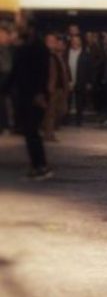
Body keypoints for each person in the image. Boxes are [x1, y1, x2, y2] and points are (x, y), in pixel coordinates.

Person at [1, 22, 53, 179]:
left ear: (30, 29)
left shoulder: (36, 49)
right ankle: (38, 165)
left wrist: (40, 93)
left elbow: (42, 73)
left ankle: (40, 166)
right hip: (27, 96)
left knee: (32, 132)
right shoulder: (28, 48)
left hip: (34, 96)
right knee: (31, 132)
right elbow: (15, 73)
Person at [43, 33, 70, 142]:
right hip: (52, 88)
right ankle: (49, 134)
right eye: (51, 41)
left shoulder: (57, 55)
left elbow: (63, 72)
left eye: (54, 41)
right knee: (50, 112)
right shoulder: (45, 55)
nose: (54, 43)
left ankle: (49, 132)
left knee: (61, 110)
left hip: (60, 88)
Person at [66, 35, 93, 126]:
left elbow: (89, 68)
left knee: (79, 102)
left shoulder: (85, 54)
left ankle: (79, 121)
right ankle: (65, 120)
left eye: (77, 40)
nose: (74, 42)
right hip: (68, 81)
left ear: (80, 42)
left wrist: (89, 82)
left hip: (81, 81)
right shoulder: (67, 53)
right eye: (73, 40)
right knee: (67, 102)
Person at [0, 24, 13, 135]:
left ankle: (5, 125)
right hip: (4, 76)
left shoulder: (10, 49)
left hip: (6, 77)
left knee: (4, 102)